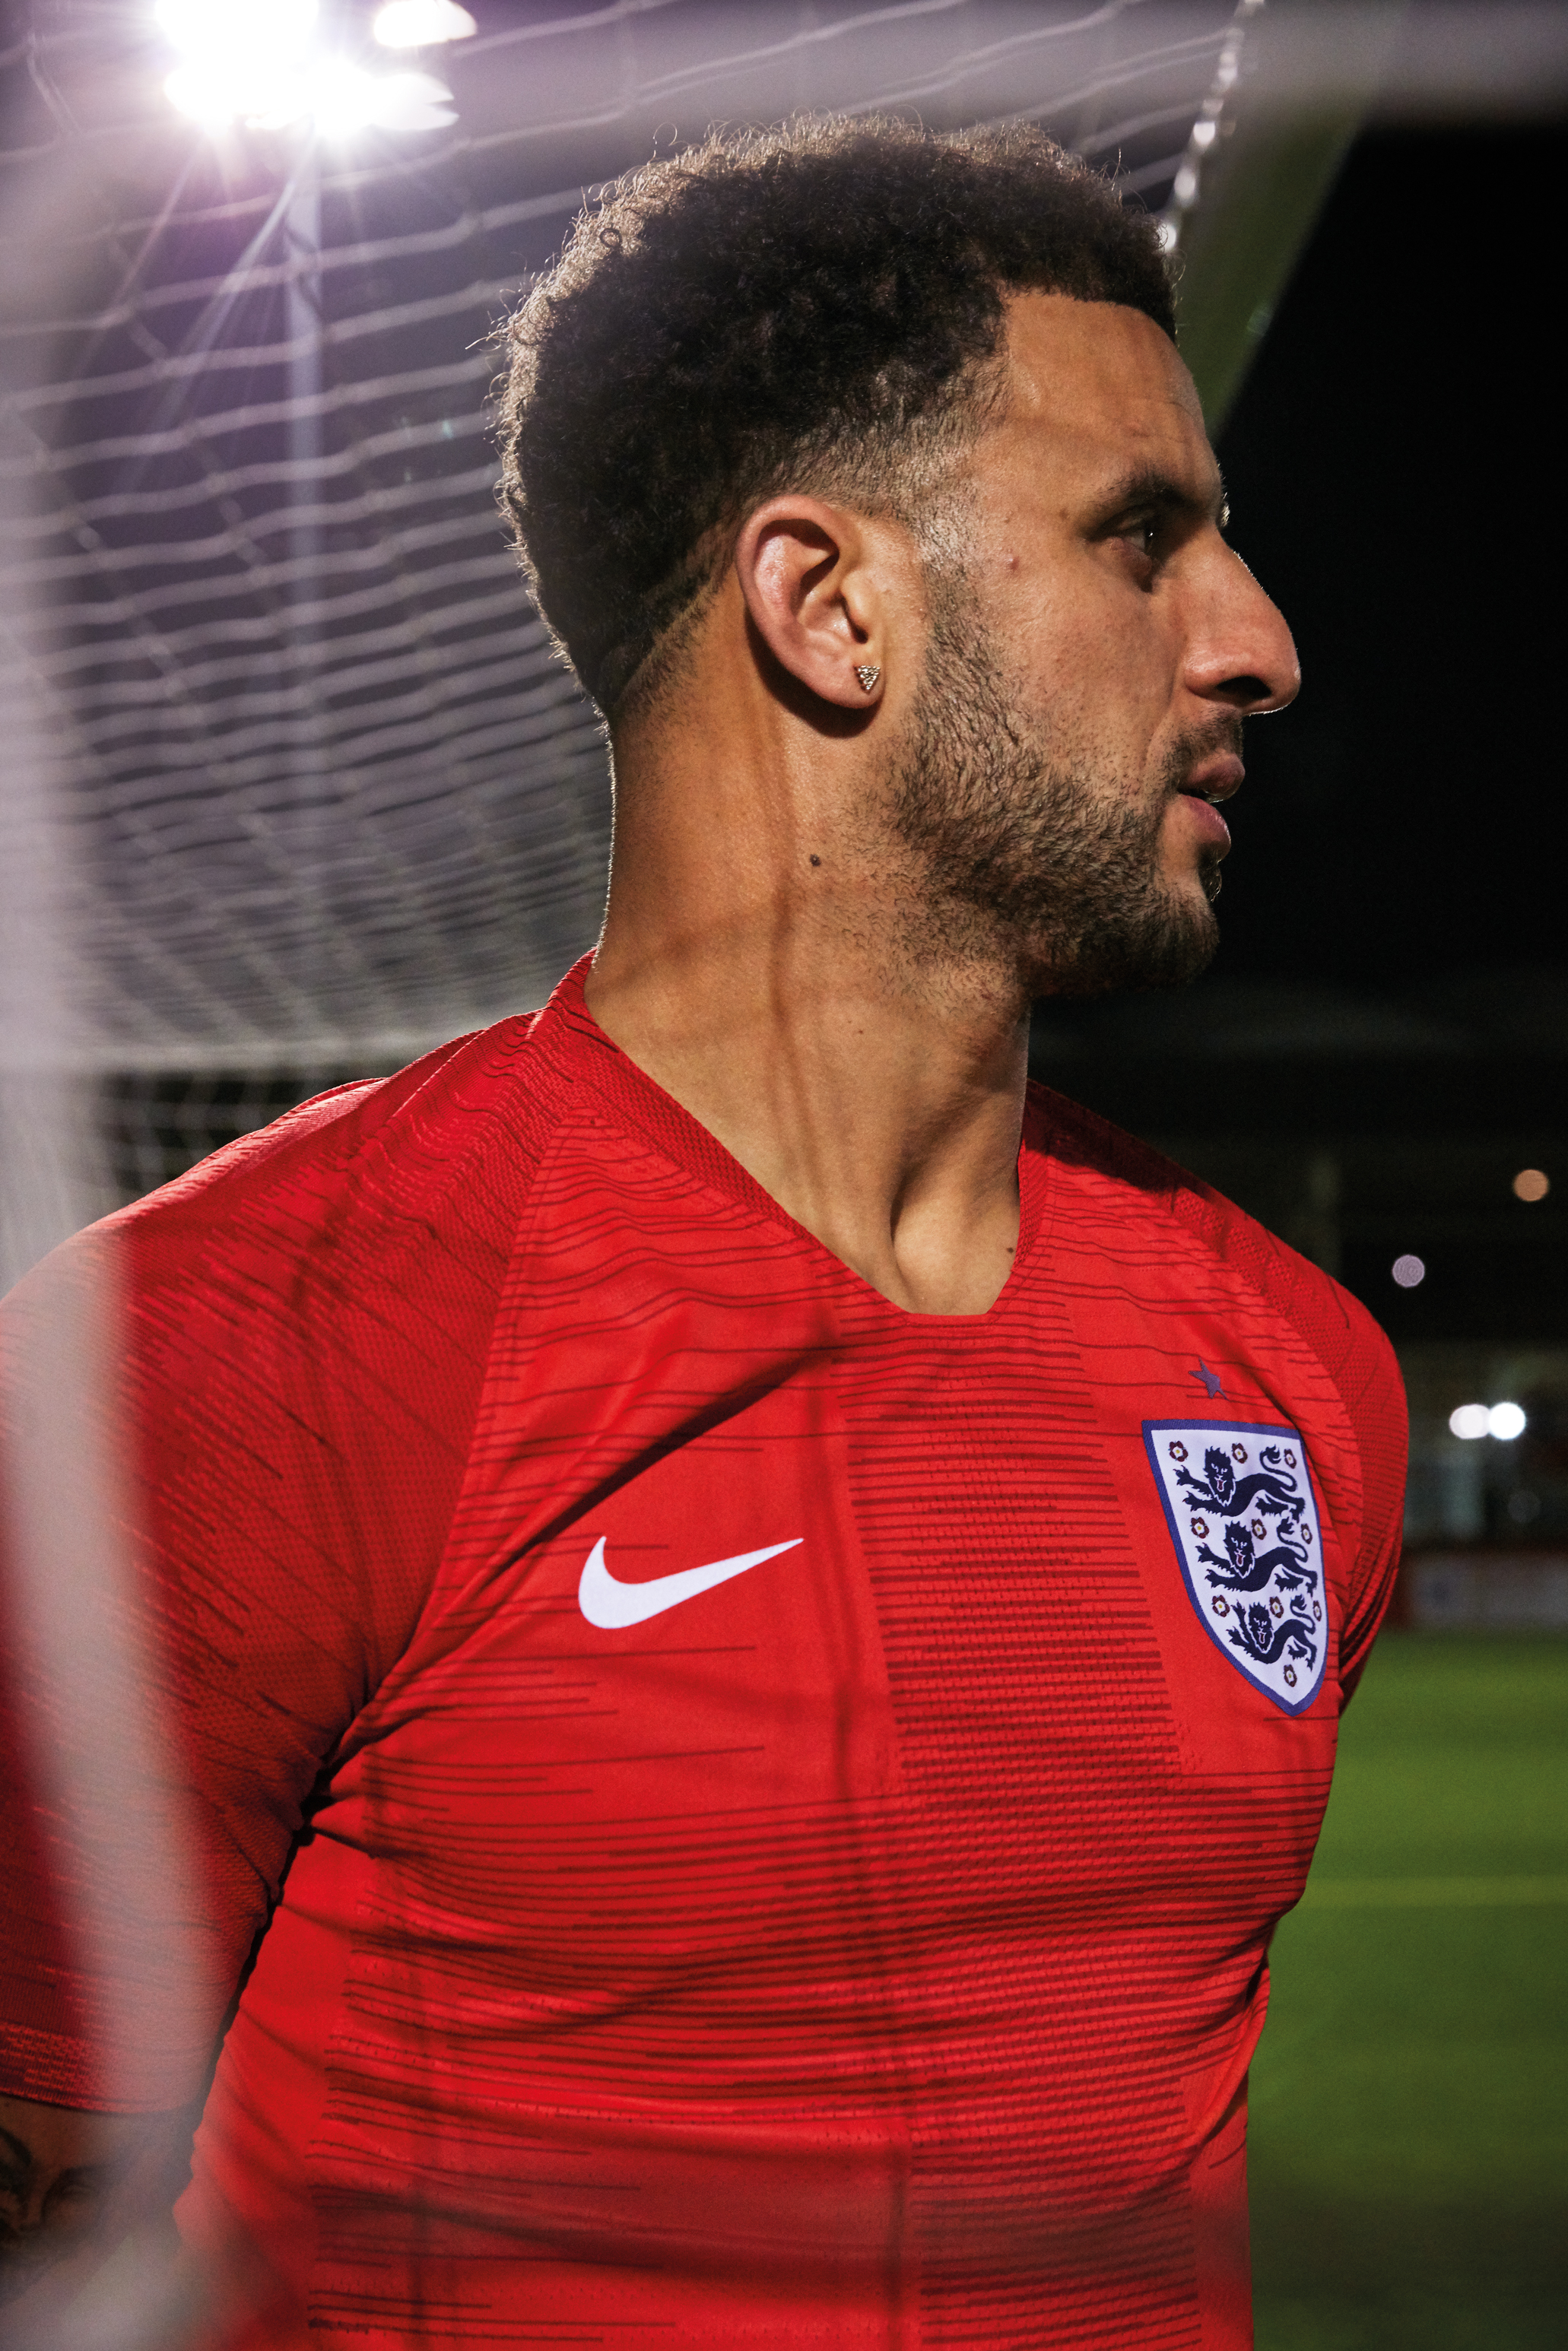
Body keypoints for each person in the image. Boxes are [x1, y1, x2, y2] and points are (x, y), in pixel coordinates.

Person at [0, 119, 1405, 2349]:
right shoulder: (232, 1351)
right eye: (1143, 539)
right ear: (825, 606)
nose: (1260, 642)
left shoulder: (1293, 1370)